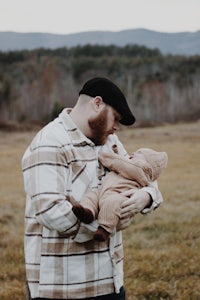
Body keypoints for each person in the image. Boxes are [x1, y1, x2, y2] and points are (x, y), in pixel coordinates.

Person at [22, 77, 164, 300]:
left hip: (110, 279)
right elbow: (51, 211)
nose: (116, 126)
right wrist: (107, 227)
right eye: (115, 118)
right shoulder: (50, 142)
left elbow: (140, 172)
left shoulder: (110, 142)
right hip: (63, 287)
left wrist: (146, 196)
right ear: (97, 103)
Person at [72, 147, 168, 242]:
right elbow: (123, 162)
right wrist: (116, 151)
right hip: (102, 191)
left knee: (111, 203)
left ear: (148, 163)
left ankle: (105, 229)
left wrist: (102, 155)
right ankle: (88, 213)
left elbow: (116, 161)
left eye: (139, 153)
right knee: (90, 197)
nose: (134, 152)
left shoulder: (138, 167)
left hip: (118, 194)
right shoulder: (132, 167)